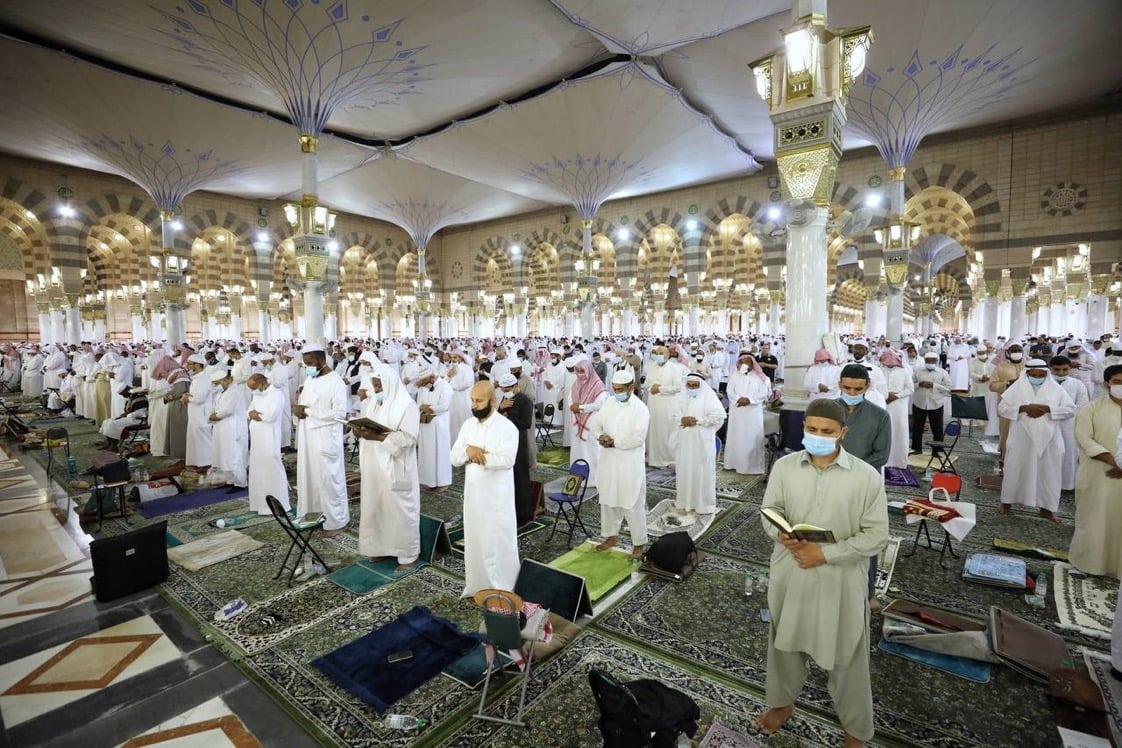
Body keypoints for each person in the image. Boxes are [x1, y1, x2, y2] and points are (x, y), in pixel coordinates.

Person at [756, 398, 888, 748]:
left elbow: (876, 536)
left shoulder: (865, 477)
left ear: (843, 432)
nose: (818, 436)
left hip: (840, 580)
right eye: (812, 429)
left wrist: (825, 554)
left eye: (827, 431)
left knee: (847, 654)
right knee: (784, 645)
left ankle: (856, 729)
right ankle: (782, 704)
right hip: (792, 570)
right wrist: (780, 533)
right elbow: (770, 510)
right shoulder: (785, 467)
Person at [451, 381, 521, 597]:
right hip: (473, 496)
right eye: (472, 400)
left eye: (479, 401)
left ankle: (502, 589)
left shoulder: (507, 428)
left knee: (497, 542)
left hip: (497, 498)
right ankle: (477, 586)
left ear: (493, 401)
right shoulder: (468, 425)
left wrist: (476, 455)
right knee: (476, 540)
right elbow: (454, 457)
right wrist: (469, 451)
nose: (474, 405)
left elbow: (507, 459)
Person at [354, 364, 420, 570]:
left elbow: (409, 438)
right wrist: (359, 430)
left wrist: (376, 436)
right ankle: (379, 549)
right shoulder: (375, 402)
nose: (377, 390)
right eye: (375, 386)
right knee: (375, 505)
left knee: (399, 509)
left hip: (396, 466)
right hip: (373, 464)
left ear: (390, 383)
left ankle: (407, 555)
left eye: (379, 385)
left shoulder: (407, 406)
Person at [997, 358, 1076, 521]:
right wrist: (1023, 408)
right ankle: (1006, 502)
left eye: (1041, 375)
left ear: (1047, 374)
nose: (1037, 378)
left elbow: (1070, 410)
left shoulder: (1056, 389)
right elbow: (1002, 409)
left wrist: (1048, 409)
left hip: (1049, 440)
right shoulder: (1016, 388)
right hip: (1021, 438)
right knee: (1015, 468)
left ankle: (1048, 508)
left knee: (1049, 473)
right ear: (1027, 374)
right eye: (1034, 375)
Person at [589, 369, 650, 559]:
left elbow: (638, 438)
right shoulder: (609, 403)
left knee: (632, 502)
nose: (617, 392)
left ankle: (639, 543)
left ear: (631, 387)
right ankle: (611, 536)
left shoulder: (640, 409)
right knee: (608, 499)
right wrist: (600, 436)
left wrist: (615, 442)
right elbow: (595, 424)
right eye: (614, 389)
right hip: (609, 461)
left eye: (620, 389)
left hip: (629, 463)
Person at [1069, 364, 1122, 577]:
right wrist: (1115, 463)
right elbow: (1084, 438)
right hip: (1098, 473)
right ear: (1107, 383)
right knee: (1093, 517)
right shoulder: (1091, 408)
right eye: (1118, 382)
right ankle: (1084, 563)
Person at [294, 343, 349, 533]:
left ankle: (336, 521)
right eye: (305, 363)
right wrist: (298, 410)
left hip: (326, 437)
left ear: (321, 360)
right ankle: (312, 517)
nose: (307, 367)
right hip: (308, 436)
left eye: (310, 363)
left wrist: (308, 411)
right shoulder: (311, 379)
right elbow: (304, 404)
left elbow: (339, 413)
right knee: (309, 478)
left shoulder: (336, 382)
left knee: (328, 480)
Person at [670, 373, 726, 515]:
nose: (692, 388)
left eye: (695, 385)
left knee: (702, 472)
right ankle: (684, 502)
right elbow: (674, 415)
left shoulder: (709, 397)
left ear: (701, 385)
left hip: (702, 442)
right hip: (685, 441)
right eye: (689, 385)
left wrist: (698, 421)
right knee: (685, 470)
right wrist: (682, 420)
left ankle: (704, 505)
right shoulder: (681, 397)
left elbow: (719, 416)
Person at [246, 373, 290, 515]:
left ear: (262, 383)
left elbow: (271, 416)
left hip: (269, 437)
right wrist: (252, 414)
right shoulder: (257, 394)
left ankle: (280, 504)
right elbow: (248, 411)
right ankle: (260, 504)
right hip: (257, 438)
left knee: (272, 468)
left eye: (254, 387)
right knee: (258, 469)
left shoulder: (276, 394)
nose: (253, 391)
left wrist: (256, 414)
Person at [498, 372, 536, 526]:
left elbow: (526, 423)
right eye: (502, 389)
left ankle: (523, 514)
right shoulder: (505, 399)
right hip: (505, 441)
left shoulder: (525, 400)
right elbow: (497, 417)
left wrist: (509, 416)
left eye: (507, 389)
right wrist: (500, 408)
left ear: (515, 386)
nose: (505, 392)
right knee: (507, 477)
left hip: (519, 442)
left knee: (520, 476)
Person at [723, 353, 771, 475]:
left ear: (752, 363)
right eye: (742, 361)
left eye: (747, 361)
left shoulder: (760, 377)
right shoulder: (734, 375)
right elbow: (729, 391)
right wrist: (738, 399)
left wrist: (749, 400)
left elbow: (764, 392)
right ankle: (733, 464)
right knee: (736, 437)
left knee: (751, 437)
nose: (744, 363)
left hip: (753, 413)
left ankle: (752, 467)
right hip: (737, 411)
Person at [1049, 355, 1089, 492]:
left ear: (1070, 368)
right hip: (1048, 423)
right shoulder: (1044, 383)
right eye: (1057, 369)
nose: (1061, 373)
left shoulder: (1078, 384)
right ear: (1051, 369)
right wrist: (1055, 412)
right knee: (1048, 454)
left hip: (1070, 425)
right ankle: (1048, 483)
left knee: (1069, 454)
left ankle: (1067, 484)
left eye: (1065, 369)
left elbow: (1082, 406)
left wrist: (1055, 412)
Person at [568, 358, 609, 486]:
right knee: (578, 450)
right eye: (578, 371)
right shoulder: (575, 384)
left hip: (592, 422)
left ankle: (594, 479)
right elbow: (570, 399)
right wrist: (572, 406)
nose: (580, 374)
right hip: (577, 421)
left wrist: (581, 408)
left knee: (592, 450)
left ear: (589, 370)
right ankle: (578, 477)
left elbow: (599, 404)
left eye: (582, 371)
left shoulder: (598, 385)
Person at [645, 345, 685, 467]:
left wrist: (661, 389)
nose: (658, 356)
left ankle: (669, 458)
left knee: (667, 431)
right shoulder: (651, 367)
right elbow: (646, 384)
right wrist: (651, 387)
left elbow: (678, 387)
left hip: (668, 406)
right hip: (653, 405)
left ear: (667, 355)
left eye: (661, 353)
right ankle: (654, 458)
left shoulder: (675, 368)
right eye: (656, 353)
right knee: (654, 430)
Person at [415, 365, 453, 491]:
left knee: (440, 452)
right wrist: (424, 408)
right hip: (425, 423)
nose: (423, 384)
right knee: (426, 452)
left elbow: (444, 406)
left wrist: (429, 408)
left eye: (425, 381)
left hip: (439, 424)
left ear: (432, 377)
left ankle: (443, 482)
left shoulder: (445, 386)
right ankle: (428, 481)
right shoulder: (423, 387)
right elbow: (419, 404)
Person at [989, 341, 1026, 461]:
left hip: (1025, 404)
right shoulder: (1001, 367)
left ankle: (1021, 458)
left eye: (1019, 351)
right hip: (1007, 404)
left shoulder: (1028, 366)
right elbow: (992, 386)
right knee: (1005, 431)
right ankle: (1005, 456)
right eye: (1014, 351)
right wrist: (1008, 383)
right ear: (1008, 353)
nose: (1017, 353)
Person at [878, 350, 914, 469]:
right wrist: (885, 396)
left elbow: (910, 389)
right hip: (883, 404)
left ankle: (898, 461)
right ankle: (884, 460)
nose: (889, 366)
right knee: (884, 431)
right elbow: (874, 387)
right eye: (887, 364)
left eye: (892, 364)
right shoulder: (879, 371)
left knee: (899, 431)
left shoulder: (904, 371)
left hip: (899, 406)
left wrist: (896, 396)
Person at [910, 352, 951, 455]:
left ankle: (937, 451)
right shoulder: (917, 371)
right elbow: (910, 386)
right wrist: (919, 384)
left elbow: (948, 389)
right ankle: (916, 449)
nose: (930, 363)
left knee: (937, 429)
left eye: (932, 361)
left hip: (936, 404)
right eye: (928, 361)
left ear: (937, 361)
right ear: (925, 361)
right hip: (919, 403)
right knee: (917, 428)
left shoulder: (943, 373)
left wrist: (934, 385)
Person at [183, 354, 213, 472]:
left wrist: (187, 397)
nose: (188, 366)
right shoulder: (197, 378)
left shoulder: (204, 379)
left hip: (201, 414)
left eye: (190, 364)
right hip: (194, 414)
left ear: (198, 365)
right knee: (195, 439)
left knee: (203, 439)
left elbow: (199, 398)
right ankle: (198, 463)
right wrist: (187, 396)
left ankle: (207, 463)